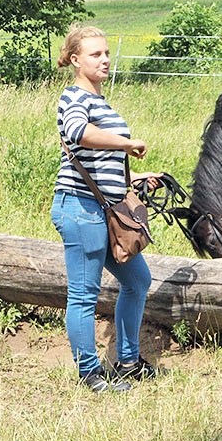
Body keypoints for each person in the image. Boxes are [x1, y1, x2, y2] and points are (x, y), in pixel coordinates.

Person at [51, 25, 162, 392]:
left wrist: (133, 177)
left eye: (106, 54)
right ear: (75, 59)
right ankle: (89, 373)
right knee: (84, 294)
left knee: (138, 280)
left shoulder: (100, 102)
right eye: (95, 54)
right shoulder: (74, 97)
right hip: (80, 209)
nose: (104, 60)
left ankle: (128, 360)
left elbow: (97, 161)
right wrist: (126, 144)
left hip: (103, 208)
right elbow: (80, 135)